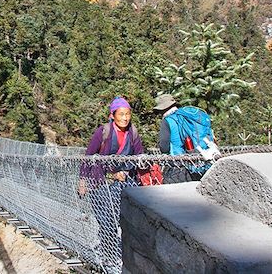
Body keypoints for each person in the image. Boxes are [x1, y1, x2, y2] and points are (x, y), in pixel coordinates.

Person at [78, 97, 144, 272]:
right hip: (99, 182)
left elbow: (139, 156)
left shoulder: (133, 133)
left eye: (128, 114)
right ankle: (109, 258)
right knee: (107, 221)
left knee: (120, 221)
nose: (125, 118)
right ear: (112, 115)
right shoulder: (103, 132)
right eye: (121, 114)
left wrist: (130, 171)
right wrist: (82, 180)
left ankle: (114, 255)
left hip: (122, 184)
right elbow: (89, 156)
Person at [153, 94, 218, 183]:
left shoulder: (168, 120)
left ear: (162, 109)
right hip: (202, 163)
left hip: (178, 165)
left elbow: (164, 146)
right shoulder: (188, 117)